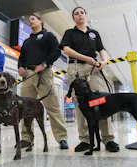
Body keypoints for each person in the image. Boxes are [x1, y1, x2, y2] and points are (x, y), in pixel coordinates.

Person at [59, 7, 120, 152]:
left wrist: (104, 61)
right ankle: (85, 140)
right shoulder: (70, 33)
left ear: (86, 16)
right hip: (76, 68)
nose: (80, 15)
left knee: (102, 101)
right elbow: (66, 50)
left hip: (94, 69)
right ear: (73, 18)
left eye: (82, 13)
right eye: (76, 13)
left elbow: (101, 49)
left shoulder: (94, 33)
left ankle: (108, 139)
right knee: (81, 103)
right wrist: (86, 58)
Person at [18, 14, 69, 149]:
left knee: (52, 106)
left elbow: (57, 51)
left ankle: (62, 138)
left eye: (33, 19)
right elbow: (21, 57)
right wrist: (20, 67)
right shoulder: (27, 41)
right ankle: (26, 138)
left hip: (44, 73)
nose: (30, 21)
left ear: (41, 21)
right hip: (28, 76)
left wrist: (45, 64)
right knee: (25, 108)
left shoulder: (48, 36)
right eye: (29, 20)